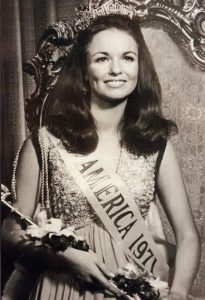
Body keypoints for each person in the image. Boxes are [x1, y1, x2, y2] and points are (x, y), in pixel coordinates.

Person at [2, 12, 200, 300]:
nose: (116, 69)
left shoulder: (156, 146)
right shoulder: (46, 141)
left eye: (128, 58)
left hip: (134, 287)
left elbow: (188, 235)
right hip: (62, 286)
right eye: (102, 58)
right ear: (84, 70)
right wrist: (64, 256)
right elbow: (10, 231)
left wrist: (179, 292)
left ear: (139, 68)